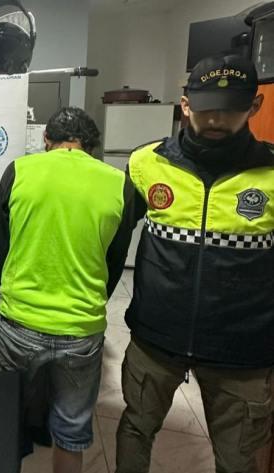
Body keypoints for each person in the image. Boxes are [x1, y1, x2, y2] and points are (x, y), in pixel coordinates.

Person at [116, 54, 273, 473]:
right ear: (186, 105)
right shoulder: (147, 163)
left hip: (242, 350)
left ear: (254, 105)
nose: (217, 119)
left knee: (238, 460)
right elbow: (114, 238)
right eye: (206, 108)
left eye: (231, 108)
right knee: (135, 429)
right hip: (156, 337)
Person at [0, 107, 136, 473]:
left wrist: (15, 292)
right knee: (71, 432)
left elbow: (2, 248)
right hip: (81, 328)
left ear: (46, 139)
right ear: (91, 145)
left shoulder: (18, 171)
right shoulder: (119, 183)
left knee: (4, 419)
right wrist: (88, 302)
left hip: (18, 321)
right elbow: (115, 261)